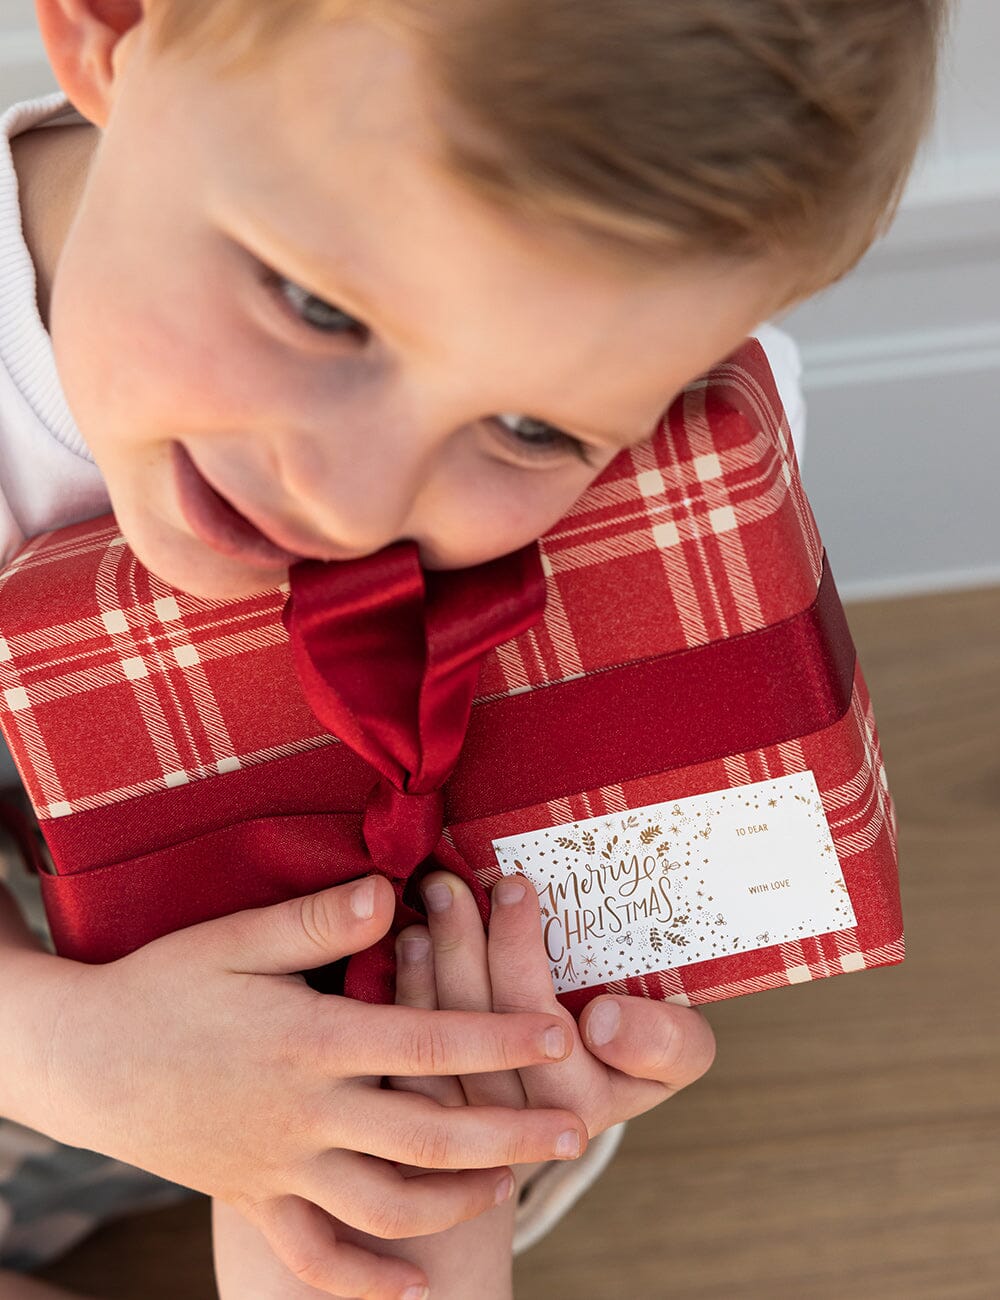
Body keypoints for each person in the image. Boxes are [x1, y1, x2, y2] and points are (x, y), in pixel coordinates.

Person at [0, 1, 943, 1297]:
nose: (358, 502)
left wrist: (550, 1023)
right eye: (317, 308)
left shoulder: (692, 452)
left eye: (527, 427)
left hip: (347, 995)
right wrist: (62, 1050)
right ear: (111, 30)